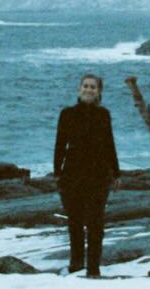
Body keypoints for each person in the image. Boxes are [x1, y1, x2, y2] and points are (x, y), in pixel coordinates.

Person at [52, 72, 122, 277]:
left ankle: (93, 268)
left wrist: (116, 173)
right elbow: (59, 145)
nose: (88, 89)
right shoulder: (67, 114)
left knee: (95, 223)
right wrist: (57, 172)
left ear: (99, 92)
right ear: (79, 89)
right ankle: (76, 264)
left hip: (99, 175)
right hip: (72, 175)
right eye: (85, 86)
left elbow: (110, 145)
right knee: (74, 221)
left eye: (93, 87)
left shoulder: (104, 115)